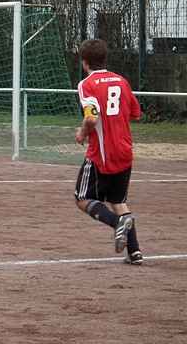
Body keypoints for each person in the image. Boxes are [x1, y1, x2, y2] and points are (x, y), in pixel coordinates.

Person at [74, 39, 143, 265]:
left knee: (82, 198)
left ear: (85, 63)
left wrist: (83, 132)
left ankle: (117, 224)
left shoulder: (87, 84)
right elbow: (135, 113)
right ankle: (134, 251)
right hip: (125, 149)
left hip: (102, 153)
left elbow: (91, 117)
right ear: (105, 59)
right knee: (118, 200)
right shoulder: (121, 81)